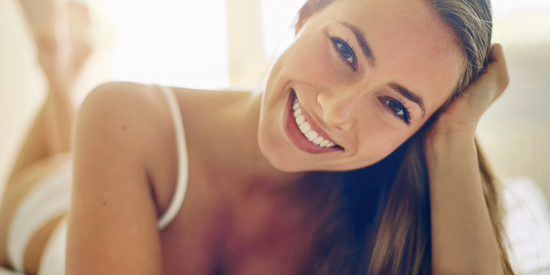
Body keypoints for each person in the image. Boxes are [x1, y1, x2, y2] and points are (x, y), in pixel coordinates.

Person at [0, 0, 514, 274]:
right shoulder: (124, 113)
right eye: (345, 50)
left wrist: (452, 136)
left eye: (396, 105)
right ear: (308, 11)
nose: (336, 110)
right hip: (46, 207)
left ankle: (62, 64)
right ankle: (57, 65)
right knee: (48, 183)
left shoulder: (385, 205)